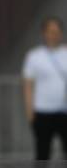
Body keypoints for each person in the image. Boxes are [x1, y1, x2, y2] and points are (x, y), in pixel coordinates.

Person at [22, 16, 67, 160]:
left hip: (64, 111)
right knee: (42, 153)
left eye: (56, 31)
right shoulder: (34, 56)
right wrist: (30, 112)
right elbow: (28, 85)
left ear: (61, 33)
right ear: (43, 33)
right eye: (50, 31)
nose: (53, 35)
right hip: (42, 111)